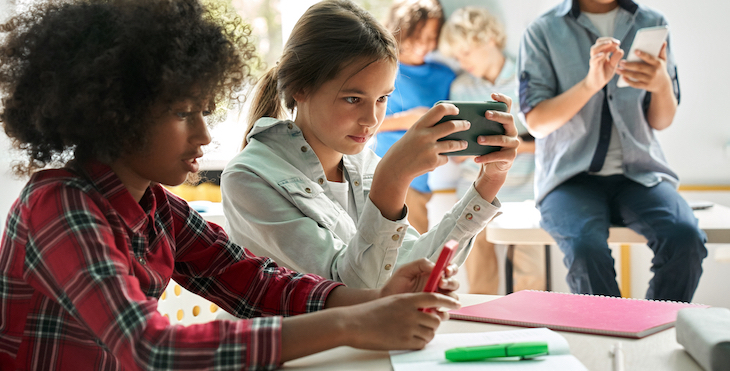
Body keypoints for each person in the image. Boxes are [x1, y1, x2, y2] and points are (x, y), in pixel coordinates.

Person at [0, 0, 465, 369]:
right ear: (116, 115)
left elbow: (255, 283)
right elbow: (151, 350)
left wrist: (374, 300)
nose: (204, 135)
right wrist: (349, 322)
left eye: (204, 110)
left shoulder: (159, 209)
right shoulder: (57, 205)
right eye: (184, 114)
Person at [220, 0, 519, 289]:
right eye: (353, 99)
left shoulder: (362, 165)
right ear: (301, 87)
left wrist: (489, 181)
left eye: (382, 98)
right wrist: (393, 178)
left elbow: (411, 267)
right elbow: (354, 293)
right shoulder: (249, 179)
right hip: (293, 341)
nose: (371, 119)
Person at [517, 0, 707, 301]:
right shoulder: (542, 30)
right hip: (569, 179)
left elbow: (661, 120)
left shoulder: (652, 21)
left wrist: (660, 86)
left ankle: (654, 332)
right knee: (585, 249)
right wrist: (590, 84)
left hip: (640, 173)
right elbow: (537, 123)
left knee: (686, 238)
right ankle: (614, 339)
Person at [439, 6, 545, 294]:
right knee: (478, 273)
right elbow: (458, 146)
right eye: (457, 55)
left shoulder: (529, 79)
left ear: (489, 40)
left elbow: (548, 139)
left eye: (466, 52)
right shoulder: (461, 87)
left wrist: (512, 146)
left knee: (531, 276)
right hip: (473, 190)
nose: (462, 61)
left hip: (524, 193)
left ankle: (529, 329)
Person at [370, 0, 456, 234]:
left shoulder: (445, 76)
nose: (424, 44)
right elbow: (364, 124)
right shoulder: (382, 68)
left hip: (420, 180)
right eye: (418, 34)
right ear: (401, 29)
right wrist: (409, 120)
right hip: (382, 173)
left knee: (412, 255)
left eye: (432, 36)